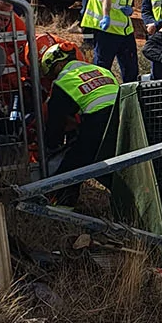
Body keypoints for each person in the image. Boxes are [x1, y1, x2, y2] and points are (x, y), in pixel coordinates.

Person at [39, 42, 121, 205]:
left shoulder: (64, 80)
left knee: (72, 167)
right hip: (124, 117)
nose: (53, 78)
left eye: (52, 73)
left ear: (58, 65)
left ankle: (61, 208)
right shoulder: (100, 70)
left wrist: (51, 147)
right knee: (114, 163)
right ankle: (125, 201)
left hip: (99, 122)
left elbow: (56, 122)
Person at [79, 0, 148, 83]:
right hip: (107, 30)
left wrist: (131, 10)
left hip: (125, 31)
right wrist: (106, 16)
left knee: (131, 70)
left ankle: (130, 94)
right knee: (102, 69)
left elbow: (127, 1)